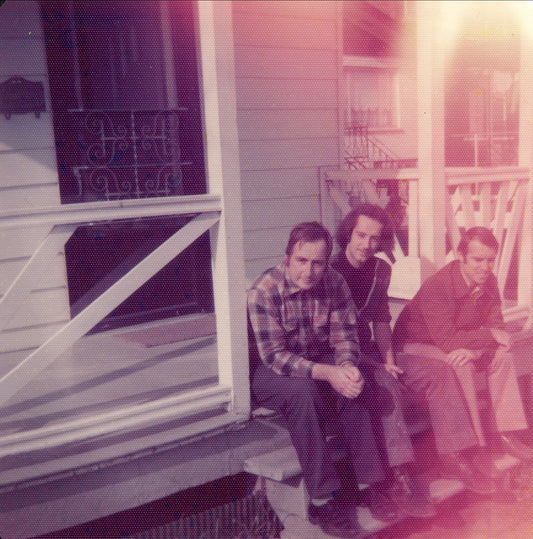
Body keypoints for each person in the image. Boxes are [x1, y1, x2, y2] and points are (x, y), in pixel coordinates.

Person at [248, 222, 398, 537]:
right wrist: (328, 373)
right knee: (302, 391)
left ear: (326, 262)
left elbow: (345, 338)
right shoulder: (264, 290)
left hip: (317, 358)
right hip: (271, 370)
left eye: (318, 263)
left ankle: (370, 483)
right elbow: (274, 355)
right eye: (302, 261)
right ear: (287, 257)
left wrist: (345, 366)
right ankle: (322, 499)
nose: (309, 270)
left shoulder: (335, 282)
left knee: (356, 383)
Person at [392, 226, 533, 491]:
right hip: (415, 346)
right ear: (460, 256)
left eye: (490, 260)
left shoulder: (488, 281)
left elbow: (497, 324)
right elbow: (449, 341)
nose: (485, 267)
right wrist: (488, 335)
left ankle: (506, 433)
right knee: (460, 363)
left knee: (501, 355)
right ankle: (474, 448)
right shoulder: (438, 286)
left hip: (458, 342)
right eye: (478, 260)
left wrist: (479, 346)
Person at [331, 204, 435, 518]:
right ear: (349, 233)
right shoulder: (331, 270)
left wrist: (387, 358)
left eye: (374, 238)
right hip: (338, 350)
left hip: (370, 350)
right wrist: (377, 366)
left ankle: (399, 474)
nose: (366, 244)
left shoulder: (381, 270)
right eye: (361, 235)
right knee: (385, 385)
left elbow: (380, 319)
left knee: (395, 374)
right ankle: (399, 476)